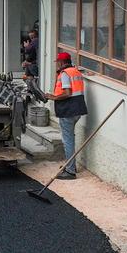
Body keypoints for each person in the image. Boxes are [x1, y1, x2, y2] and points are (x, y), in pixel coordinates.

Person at [43, 51, 89, 179]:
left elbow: (67, 92)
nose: (57, 65)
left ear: (62, 62)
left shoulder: (64, 74)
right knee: (70, 139)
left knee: (68, 141)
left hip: (68, 110)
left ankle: (70, 171)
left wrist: (53, 97)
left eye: (57, 62)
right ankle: (71, 165)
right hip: (78, 109)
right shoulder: (75, 71)